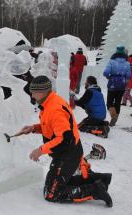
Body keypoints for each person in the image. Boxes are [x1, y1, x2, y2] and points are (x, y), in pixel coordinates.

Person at [19, 76, 113, 207]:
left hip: (67, 153)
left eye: (33, 92)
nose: (32, 95)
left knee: (52, 193)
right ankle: (101, 180)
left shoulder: (54, 109)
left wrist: (40, 150)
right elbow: (52, 127)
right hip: (65, 151)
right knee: (56, 184)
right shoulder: (48, 103)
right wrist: (34, 128)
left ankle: (95, 190)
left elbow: (64, 139)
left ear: (43, 91)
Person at [103, 45, 131, 126]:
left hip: (112, 83)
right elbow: (129, 76)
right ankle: (116, 118)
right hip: (122, 83)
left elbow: (105, 72)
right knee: (118, 102)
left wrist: (108, 76)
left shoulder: (112, 61)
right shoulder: (127, 63)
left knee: (109, 102)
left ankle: (113, 116)